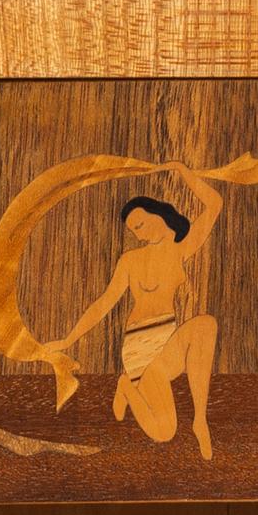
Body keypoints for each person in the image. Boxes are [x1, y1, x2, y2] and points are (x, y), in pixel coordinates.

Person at [44, 164, 222, 457]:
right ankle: (126, 385)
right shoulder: (130, 259)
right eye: (133, 231)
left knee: (206, 325)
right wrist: (68, 340)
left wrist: (181, 170)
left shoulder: (180, 249)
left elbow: (215, 203)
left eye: (139, 225)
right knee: (164, 433)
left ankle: (200, 419)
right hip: (141, 348)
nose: (138, 234)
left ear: (158, 213)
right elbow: (104, 303)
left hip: (168, 345)